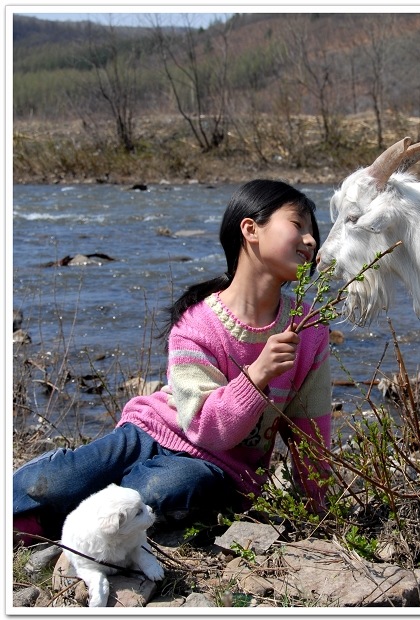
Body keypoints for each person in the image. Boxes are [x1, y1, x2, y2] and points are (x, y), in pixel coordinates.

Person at [13, 179, 332, 544]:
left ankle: (66, 527)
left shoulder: (309, 330)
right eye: (298, 225)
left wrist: (319, 512)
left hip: (218, 468)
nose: (311, 240)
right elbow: (202, 425)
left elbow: (311, 431)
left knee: (160, 491)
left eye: (313, 232)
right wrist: (257, 374)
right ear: (250, 229)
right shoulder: (198, 323)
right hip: (148, 434)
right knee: (56, 480)